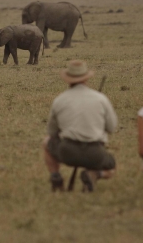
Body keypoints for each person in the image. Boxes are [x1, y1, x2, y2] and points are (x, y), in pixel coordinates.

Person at [43, 60, 118, 192]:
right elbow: (111, 128)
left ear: (68, 79)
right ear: (86, 78)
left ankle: (56, 177)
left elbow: (51, 132)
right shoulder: (101, 98)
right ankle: (95, 174)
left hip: (67, 151)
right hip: (95, 153)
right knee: (111, 167)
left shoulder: (60, 100)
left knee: (46, 143)